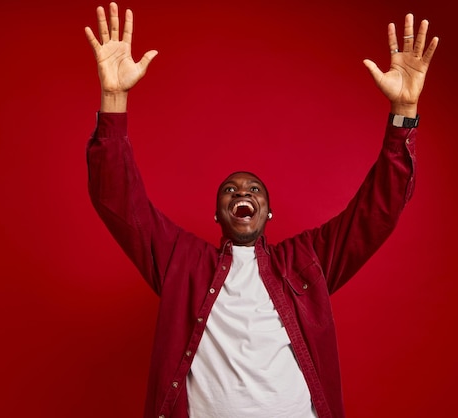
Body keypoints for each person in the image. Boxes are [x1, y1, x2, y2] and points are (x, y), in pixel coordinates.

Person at [85, 3, 438, 417]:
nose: (242, 192)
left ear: (267, 212)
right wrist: (113, 98)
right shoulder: (182, 261)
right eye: (230, 189)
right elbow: (119, 201)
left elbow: (375, 213)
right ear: (218, 214)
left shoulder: (306, 262)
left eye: (253, 188)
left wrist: (404, 115)